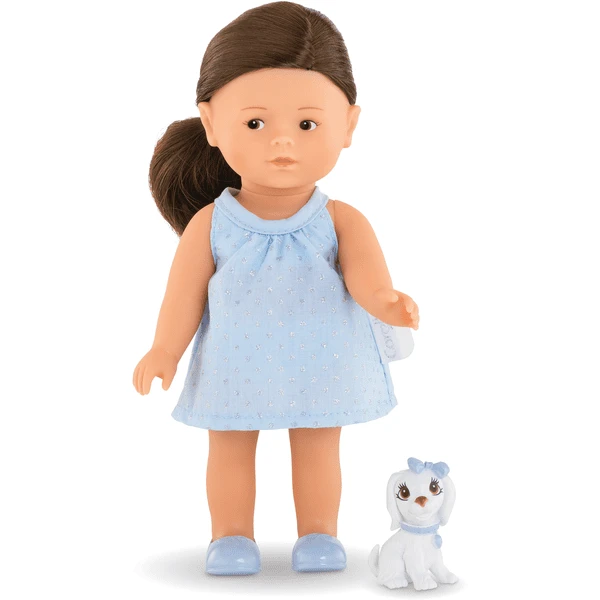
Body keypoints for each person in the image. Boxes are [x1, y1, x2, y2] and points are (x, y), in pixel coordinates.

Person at [132, 0, 419, 576]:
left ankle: (319, 534)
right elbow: (183, 296)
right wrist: (165, 349)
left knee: (318, 448)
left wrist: (386, 302)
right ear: (211, 123)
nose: (282, 143)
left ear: (348, 126)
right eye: (255, 124)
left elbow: (365, 277)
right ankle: (230, 537)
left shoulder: (340, 219)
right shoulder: (212, 225)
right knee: (230, 447)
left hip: (322, 357)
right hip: (235, 361)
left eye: (307, 124)